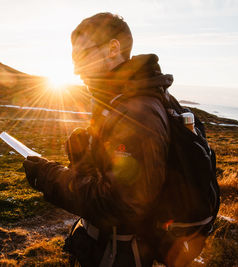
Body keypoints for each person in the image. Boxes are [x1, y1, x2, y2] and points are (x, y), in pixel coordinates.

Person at [23, 12, 210, 267]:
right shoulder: (118, 101)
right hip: (106, 248)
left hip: (120, 255)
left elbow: (120, 204)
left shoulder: (138, 112)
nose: (76, 69)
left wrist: (49, 176)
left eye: (82, 56)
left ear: (113, 48)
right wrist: (85, 158)